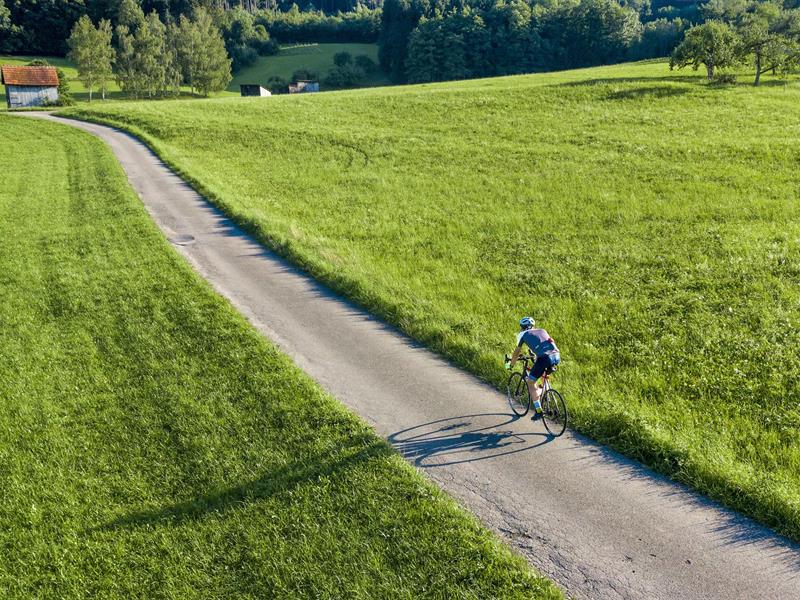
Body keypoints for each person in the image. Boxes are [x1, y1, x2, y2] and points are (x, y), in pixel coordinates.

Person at [506, 317, 560, 413]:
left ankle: (539, 411)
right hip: (556, 355)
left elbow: (516, 353)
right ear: (533, 326)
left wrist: (510, 365)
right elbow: (541, 345)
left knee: (530, 382)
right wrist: (534, 355)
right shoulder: (542, 330)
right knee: (542, 373)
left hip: (544, 358)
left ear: (522, 327)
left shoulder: (522, 334)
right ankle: (543, 391)